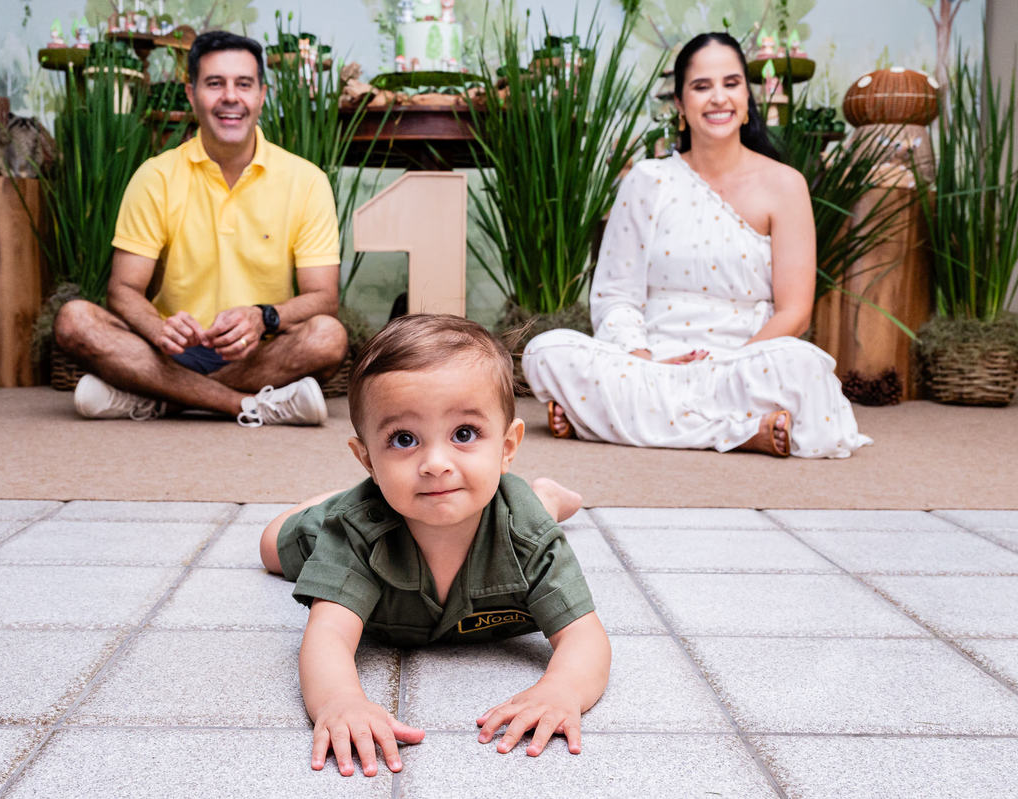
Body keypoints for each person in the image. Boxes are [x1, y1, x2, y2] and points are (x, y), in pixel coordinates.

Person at [259, 314, 610, 776]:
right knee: (269, 547)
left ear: (507, 447)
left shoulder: (528, 534)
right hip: (356, 513)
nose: (436, 463)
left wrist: (562, 689)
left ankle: (544, 497)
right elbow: (327, 636)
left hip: (506, 503)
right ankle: (327, 501)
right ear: (367, 458)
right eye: (404, 440)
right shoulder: (354, 531)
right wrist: (340, 701)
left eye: (464, 434)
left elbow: (584, 636)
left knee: (523, 505)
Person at [523, 32, 872, 458]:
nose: (718, 98)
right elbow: (617, 295)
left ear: (747, 96)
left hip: (743, 363)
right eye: (701, 86)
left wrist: (726, 364)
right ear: (680, 105)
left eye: (731, 83)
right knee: (547, 351)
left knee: (804, 366)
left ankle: (605, 420)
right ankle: (744, 432)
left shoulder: (784, 184)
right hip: (654, 362)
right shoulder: (648, 180)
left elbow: (795, 311)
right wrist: (643, 358)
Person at [54, 30, 347, 427]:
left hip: (260, 351)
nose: (230, 97)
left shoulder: (306, 180)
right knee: (74, 319)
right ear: (192, 94)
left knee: (329, 336)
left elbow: (322, 298)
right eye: (214, 84)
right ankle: (244, 405)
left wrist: (264, 317)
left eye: (243, 84)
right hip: (169, 350)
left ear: (262, 94)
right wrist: (158, 329)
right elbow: (122, 291)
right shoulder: (155, 176)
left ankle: (161, 398)